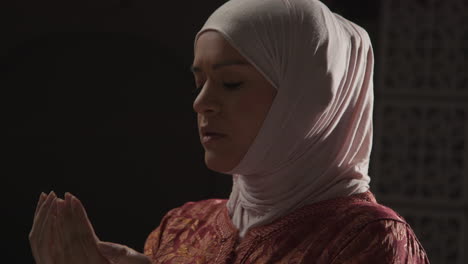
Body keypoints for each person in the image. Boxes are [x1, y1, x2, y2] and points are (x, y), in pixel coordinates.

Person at [30, 0, 430, 263]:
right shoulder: (183, 225)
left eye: (231, 83)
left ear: (309, 99)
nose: (201, 103)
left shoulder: (369, 240)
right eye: (198, 81)